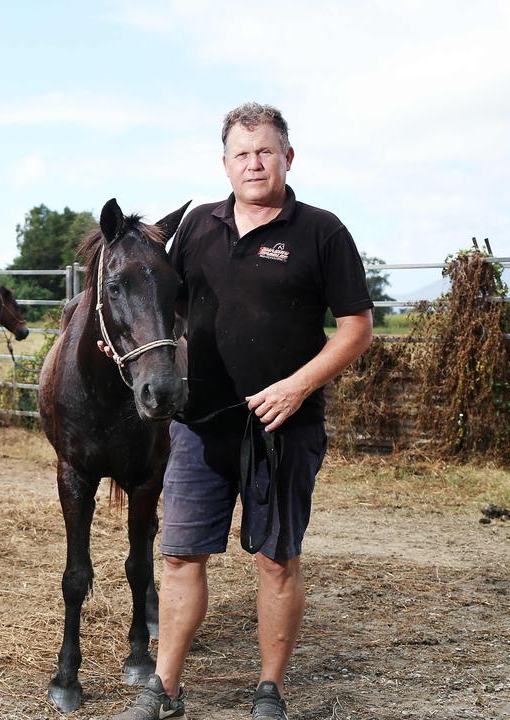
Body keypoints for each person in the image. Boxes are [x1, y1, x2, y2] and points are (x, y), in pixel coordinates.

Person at [110, 103, 373, 719]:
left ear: (288, 156)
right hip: (200, 425)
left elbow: (356, 329)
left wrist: (297, 387)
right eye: (241, 154)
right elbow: (155, 300)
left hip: (284, 429)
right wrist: (124, 345)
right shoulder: (198, 225)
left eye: (265, 151)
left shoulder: (321, 232)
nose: (253, 163)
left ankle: (269, 689)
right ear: (224, 163)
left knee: (277, 561)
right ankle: (164, 689)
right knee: (178, 556)